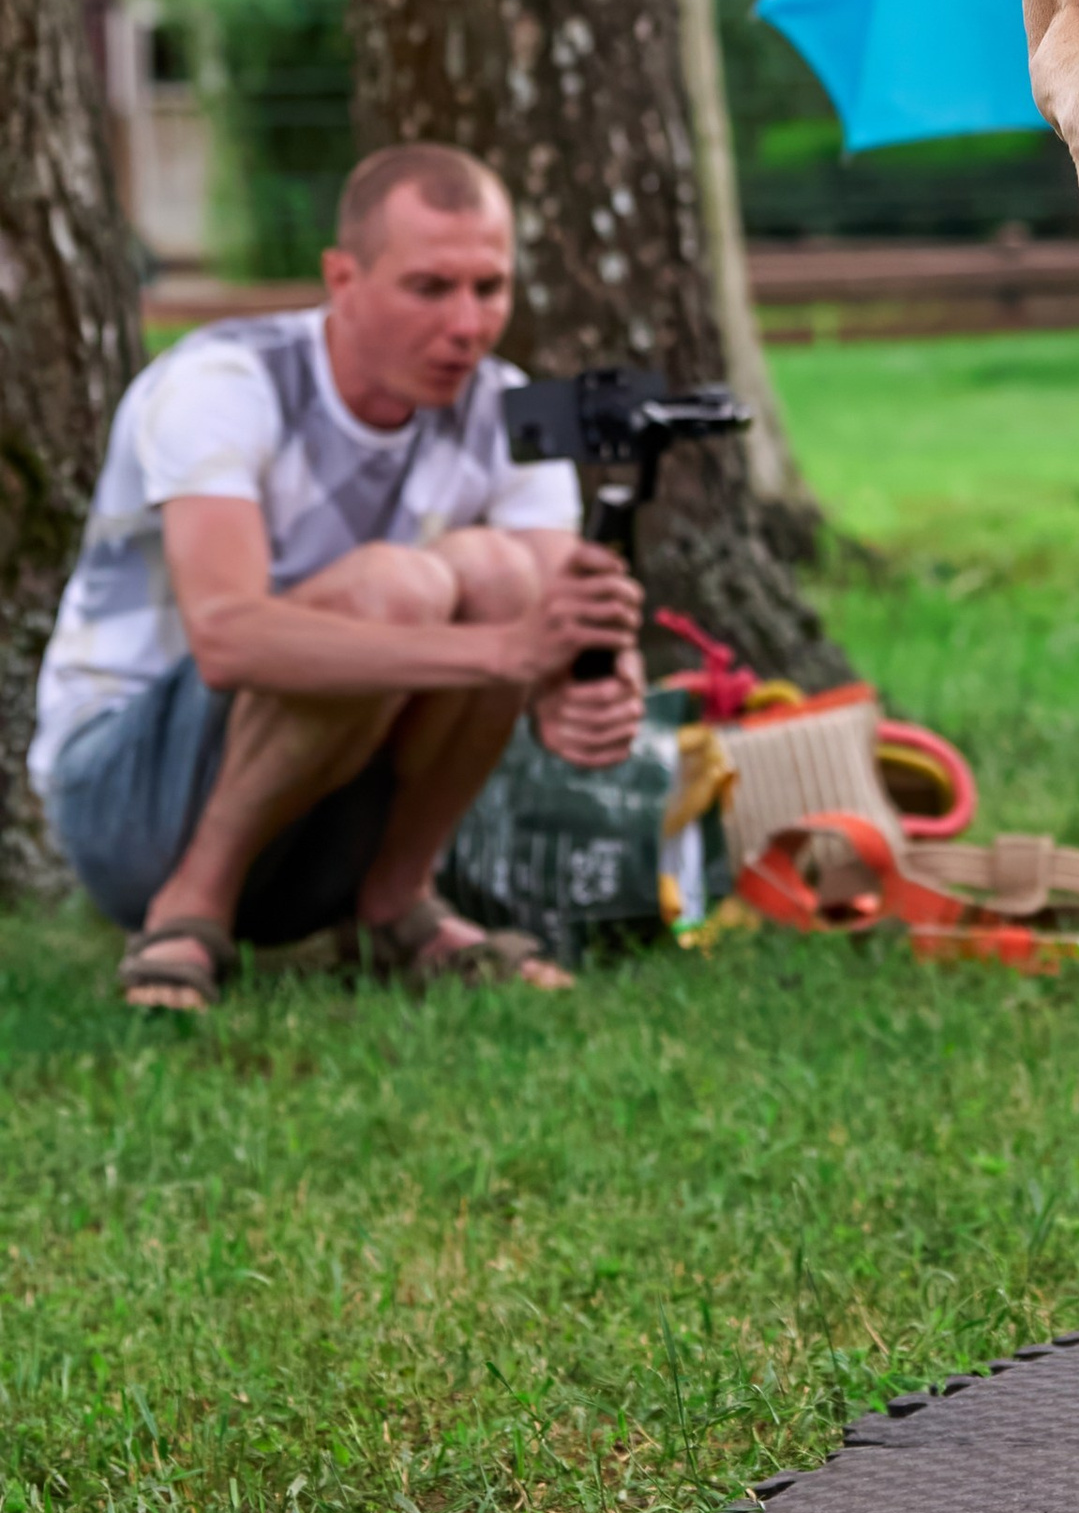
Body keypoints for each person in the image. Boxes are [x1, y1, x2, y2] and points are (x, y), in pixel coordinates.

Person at [32, 143, 646, 1013]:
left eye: (490, 288)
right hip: (130, 808)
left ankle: (397, 905)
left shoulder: (506, 409)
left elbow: (553, 615)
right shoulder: (223, 382)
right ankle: (189, 909)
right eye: (430, 288)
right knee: (393, 592)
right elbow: (228, 639)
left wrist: (594, 681)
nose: (467, 325)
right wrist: (508, 654)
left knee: (499, 572)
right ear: (343, 277)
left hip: (327, 818)